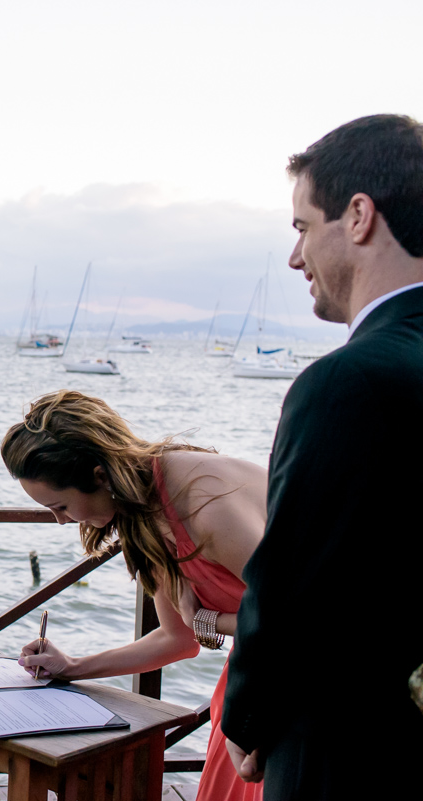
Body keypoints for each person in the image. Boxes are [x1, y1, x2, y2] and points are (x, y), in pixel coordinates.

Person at [222, 114, 423, 800]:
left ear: (358, 216)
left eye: (303, 227)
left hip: (352, 749)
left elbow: (292, 578)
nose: (295, 257)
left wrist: (246, 718)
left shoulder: (349, 382)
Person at [4, 390, 265, 801]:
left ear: (99, 477)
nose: (60, 521)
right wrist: (71, 668)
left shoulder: (203, 504)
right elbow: (177, 639)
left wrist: (209, 621)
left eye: (61, 506)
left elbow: (310, 616)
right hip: (257, 675)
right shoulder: (145, 510)